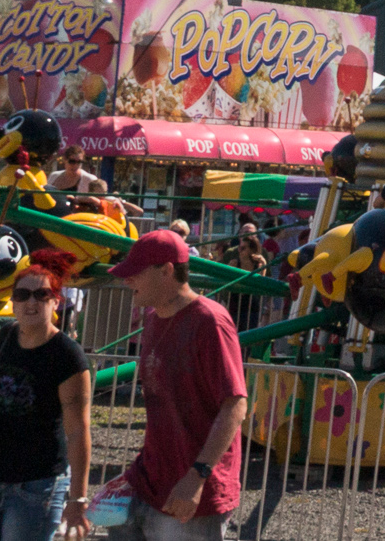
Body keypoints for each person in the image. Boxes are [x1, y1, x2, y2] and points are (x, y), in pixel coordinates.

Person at [0, 258, 92, 541]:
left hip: (37, 487)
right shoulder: (7, 335)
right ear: (13, 301)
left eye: (41, 295)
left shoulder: (67, 356)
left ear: (55, 302)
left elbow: (78, 431)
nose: (31, 303)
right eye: (22, 295)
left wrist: (78, 499)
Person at [109, 230, 246, 541]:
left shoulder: (210, 321)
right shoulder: (154, 318)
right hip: (151, 483)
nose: (127, 280)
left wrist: (196, 477)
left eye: (136, 273)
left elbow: (235, 405)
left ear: (166, 270)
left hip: (191, 493)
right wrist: (132, 476)